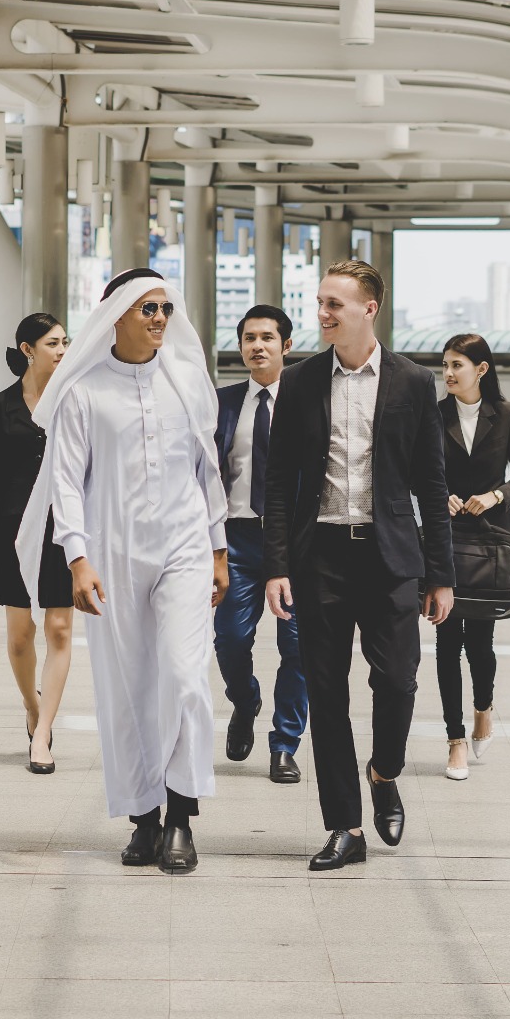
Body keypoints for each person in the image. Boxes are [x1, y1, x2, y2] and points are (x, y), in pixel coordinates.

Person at [17, 268, 229, 874]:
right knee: (128, 686)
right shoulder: (83, 391)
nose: (161, 317)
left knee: (186, 678)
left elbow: (207, 470)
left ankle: (182, 817)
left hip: (185, 547)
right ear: (116, 315)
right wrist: (77, 559)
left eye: (166, 307)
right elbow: (66, 483)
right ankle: (143, 818)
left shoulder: (188, 382)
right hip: (111, 553)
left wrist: (217, 549)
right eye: (147, 309)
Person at [263, 260, 454, 871]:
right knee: (326, 692)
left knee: (397, 681)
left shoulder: (413, 382)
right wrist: (277, 564)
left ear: (369, 309)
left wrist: (441, 574)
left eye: (333, 305)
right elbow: (276, 482)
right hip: (319, 553)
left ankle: (385, 770)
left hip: (390, 554)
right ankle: (344, 825)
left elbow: (431, 482)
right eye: (320, 302)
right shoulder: (299, 382)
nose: (321, 313)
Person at [0, 313, 74, 775]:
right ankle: (31, 709)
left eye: (65, 342)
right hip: (13, 535)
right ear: (28, 349)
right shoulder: (0, 408)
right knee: (19, 639)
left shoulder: (75, 401)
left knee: (58, 630)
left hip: (63, 529)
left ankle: (45, 731)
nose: (62, 350)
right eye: (53, 342)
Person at [214, 304, 307, 784]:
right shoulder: (223, 402)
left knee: (298, 649)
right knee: (229, 639)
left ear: (286, 345)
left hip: (296, 542)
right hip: (237, 539)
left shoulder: (310, 402)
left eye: (268, 337)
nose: (257, 346)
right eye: (249, 337)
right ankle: (245, 701)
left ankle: (285, 744)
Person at [437, 333, 510, 781]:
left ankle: (483, 709)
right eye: (446, 365)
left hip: (492, 538)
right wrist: (443, 498)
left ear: (481, 369)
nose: (449, 373)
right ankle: (455, 741)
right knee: (445, 641)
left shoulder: (507, 414)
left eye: (457, 365)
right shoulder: (435, 414)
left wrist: (496, 494)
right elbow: (416, 470)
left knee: (480, 643)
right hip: (446, 537)